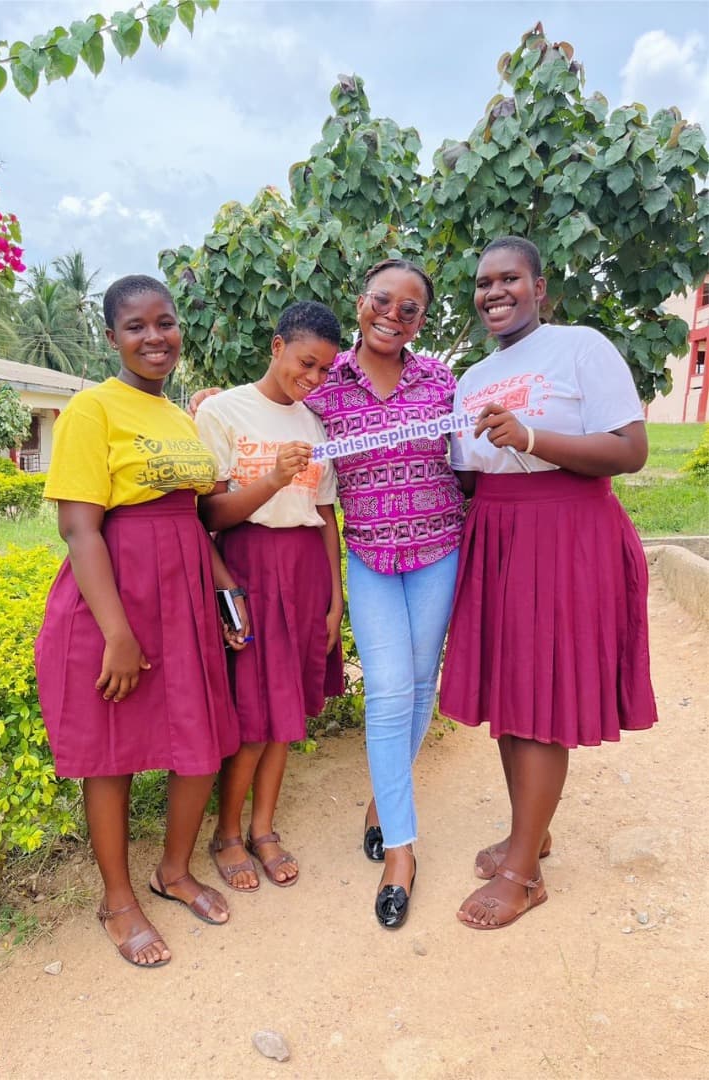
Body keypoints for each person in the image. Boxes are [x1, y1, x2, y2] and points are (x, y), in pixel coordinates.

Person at [194, 259, 465, 927]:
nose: (393, 316)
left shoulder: (439, 380)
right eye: (383, 301)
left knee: (421, 686)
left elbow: (468, 457)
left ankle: (383, 804)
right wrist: (201, 404)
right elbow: (263, 407)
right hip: (370, 559)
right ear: (361, 302)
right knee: (387, 689)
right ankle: (401, 853)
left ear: (422, 320)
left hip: (437, 552)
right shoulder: (328, 387)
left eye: (410, 309)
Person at [438, 236, 658, 930]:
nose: (494, 292)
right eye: (482, 282)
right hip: (499, 535)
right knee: (511, 690)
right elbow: (468, 473)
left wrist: (532, 438)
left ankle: (522, 873)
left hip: (567, 533)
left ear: (540, 288)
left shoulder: (581, 347)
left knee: (543, 695)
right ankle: (529, 833)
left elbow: (630, 449)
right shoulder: (470, 378)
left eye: (509, 279)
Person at [35, 275, 249, 969]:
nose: (155, 337)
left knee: (201, 738)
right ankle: (118, 899)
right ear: (111, 337)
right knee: (113, 751)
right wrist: (119, 634)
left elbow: (190, 521)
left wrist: (225, 590)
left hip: (184, 596)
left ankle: (175, 870)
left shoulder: (183, 419)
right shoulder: (92, 409)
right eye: (136, 326)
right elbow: (79, 528)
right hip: (116, 599)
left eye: (166, 322)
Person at [194, 301, 344, 892]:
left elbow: (325, 514)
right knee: (254, 715)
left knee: (285, 717)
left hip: (305, 571)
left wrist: (334, 601)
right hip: (249, 564)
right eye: (305, 362)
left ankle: (263, 828)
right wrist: (273, 478)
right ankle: (226, 834)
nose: (312, 377)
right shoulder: (223, 411)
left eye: (325, 370)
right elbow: (207, 511)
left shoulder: (315, 425)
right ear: (277, 346)